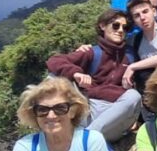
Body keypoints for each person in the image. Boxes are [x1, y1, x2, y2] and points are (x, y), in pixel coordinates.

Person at [46, 10, 143, 143]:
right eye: (116, 25)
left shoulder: (131, 55)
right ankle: (74, 135)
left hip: (115, 118)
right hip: (90, 112)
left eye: (124, 28)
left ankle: (85, 140)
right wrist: (76, 73)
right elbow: (54, 61)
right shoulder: (92, 52)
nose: (120, 30)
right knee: (53, 78)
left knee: (134, 95)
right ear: (102, 26)